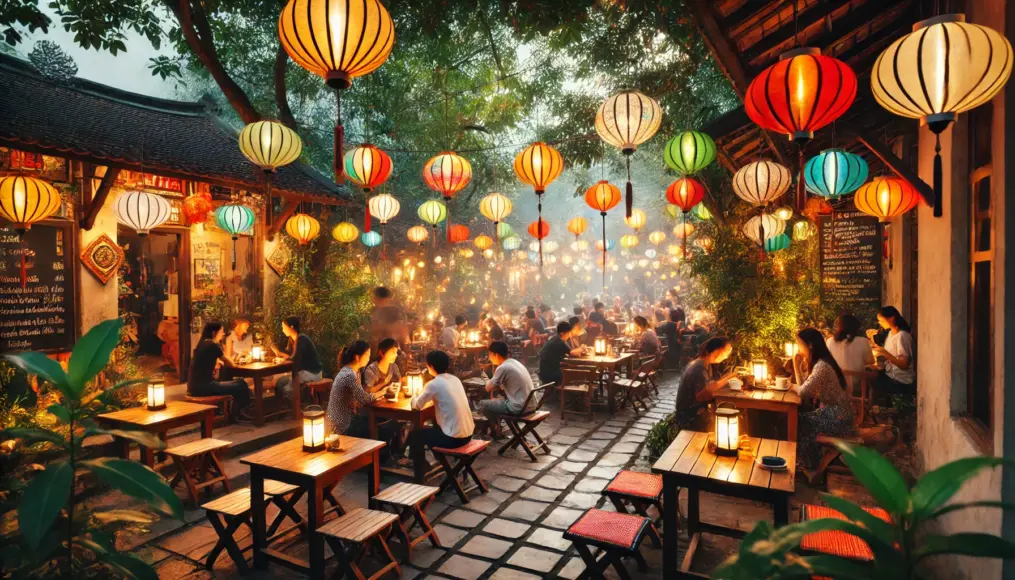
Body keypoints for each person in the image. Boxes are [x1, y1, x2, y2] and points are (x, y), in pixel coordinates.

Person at [792, 328, 855, 469]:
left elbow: (802, 391)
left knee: (799, 423)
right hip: (833, 413)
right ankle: (809, 462)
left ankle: (811, 466)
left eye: (799, 344)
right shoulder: (821, 363)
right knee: (800, 419)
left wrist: (792, 382)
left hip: (838, 418)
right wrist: (796, 368)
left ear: (810, 345)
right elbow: (804, 388)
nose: (798, 348)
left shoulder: (822, 367)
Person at [409, 350, 475, 450]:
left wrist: (414, 396)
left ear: (430, 366)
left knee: (415, 435)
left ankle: (420, 465)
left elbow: (417, 406)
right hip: (469, 434)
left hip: (454, 439)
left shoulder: (433, 384)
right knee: (435, 424)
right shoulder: (455, 379)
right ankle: (439, 459)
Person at [188, 322, 250, 419]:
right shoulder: (212, 345)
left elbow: (217, 361)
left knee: (231, 381)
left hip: (193, 387)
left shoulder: (202, 344)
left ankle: (231, 412)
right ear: (214, 333)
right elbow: (229, 363)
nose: (223, 334)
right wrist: (239, 360)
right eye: (221, 332)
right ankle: (240, 413)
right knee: (241, 384)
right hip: (205, 387)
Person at [675, 337, 734, 431]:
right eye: (726, 352)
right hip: (690, 418)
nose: (726, 357)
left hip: (696, 413)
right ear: (716, 351)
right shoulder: (699, 368)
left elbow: (711, 385)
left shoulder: (705, 364)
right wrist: (729, 378)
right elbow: (702, 396)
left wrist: (729, 378)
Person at [478, 341, 535, 434]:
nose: (489, 358)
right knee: (495, 401)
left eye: (490, 355)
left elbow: (488, 388)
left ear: (495, 354)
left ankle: (495, 430)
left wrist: (486, 374)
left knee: (483, 404)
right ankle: (497, 427)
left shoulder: (503, 367)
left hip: (519, 407)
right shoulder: (515, 362)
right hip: (531, 405)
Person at [272, 316, 324, 400]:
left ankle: (295, 409)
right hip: (301, 371)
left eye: (284, 327)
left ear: (291, 327)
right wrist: (278, 354)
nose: (282, 330)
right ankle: (283, 407)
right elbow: (290, 356)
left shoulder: (302, 339)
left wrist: (282, 360)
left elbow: (294, 359)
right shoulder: (292, 339)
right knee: (279, 381)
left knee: (286, 386)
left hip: (312, 372)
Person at [869, 306, 915, 395]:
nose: (880, 323)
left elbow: (904, 365)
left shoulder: (902, 336)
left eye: (881, 320)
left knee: (871, 384)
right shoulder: (890, 334)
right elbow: (890, 357)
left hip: (900, 381)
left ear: (891, 318)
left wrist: (884, 353)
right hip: (890, 374)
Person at [825, 313, 875, 391]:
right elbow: (871, 362)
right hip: (858, 387)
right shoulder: (863, 341)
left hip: (836, 385)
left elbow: (826, 362)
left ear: (838, 327)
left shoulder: (829, 341)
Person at [537, 321, 587, 386]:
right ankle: (572, 393)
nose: (569, 335)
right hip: (550, 374)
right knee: (577, 372)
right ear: (562, 333)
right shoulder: (560, 341)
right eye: (568, 333)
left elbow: (570, 351)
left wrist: (579, 349)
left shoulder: (554, 338)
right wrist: (582, 349)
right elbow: (572, 353)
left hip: (544, 371)